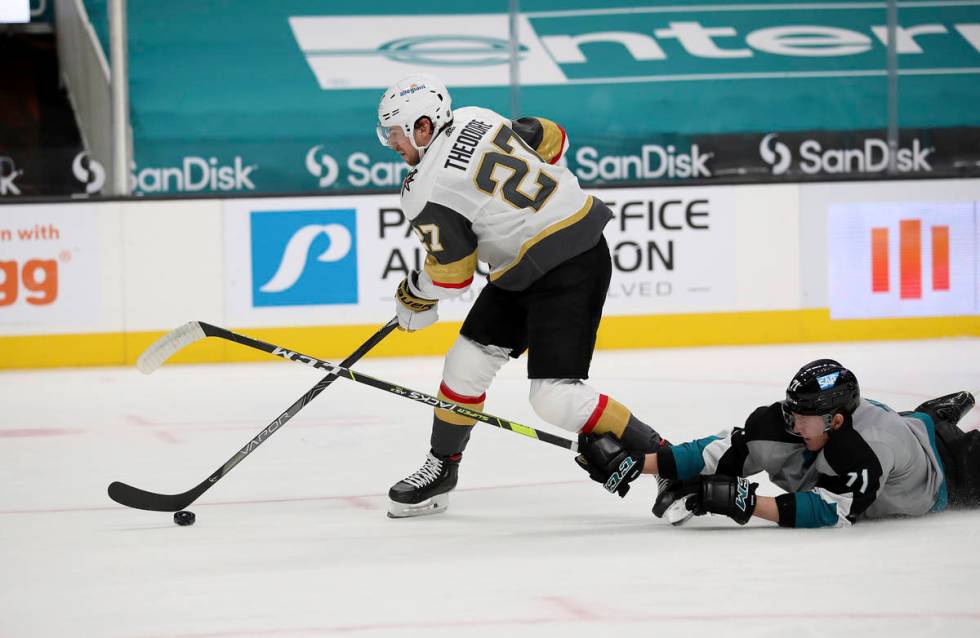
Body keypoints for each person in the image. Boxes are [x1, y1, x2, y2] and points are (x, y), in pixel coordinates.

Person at [376, 73, 668, 518]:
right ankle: (442, 469)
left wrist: (415, 294)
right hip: (522, 267)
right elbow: (553, 138)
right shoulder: (477, 116)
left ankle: (674, 466)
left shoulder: (424, 190)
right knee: (465, 364)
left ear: (422, 127)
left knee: (555, 397)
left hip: (571, 262)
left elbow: (453, 276)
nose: (391, 142)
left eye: (395, 132)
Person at [575, 359, 979, 527]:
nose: (791, 423)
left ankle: (937, 420)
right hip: (908, 427)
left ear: (835, 421)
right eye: (791, 410)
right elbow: (713, 453)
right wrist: (633, 462)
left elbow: (832, 512)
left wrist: (749, 504)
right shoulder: (783, 423)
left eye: (801, 417)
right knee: (910, 423)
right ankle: (931, 414)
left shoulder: (865, 449)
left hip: (949, 470)